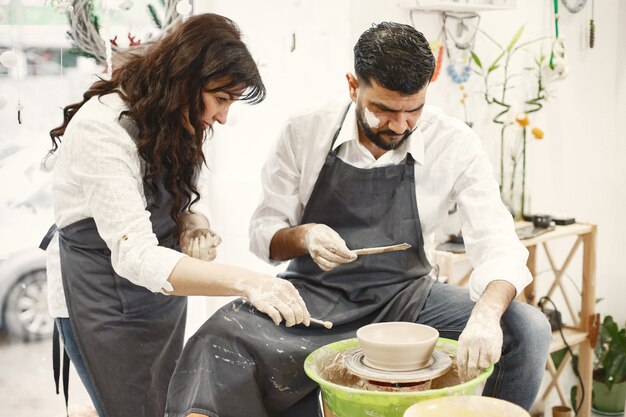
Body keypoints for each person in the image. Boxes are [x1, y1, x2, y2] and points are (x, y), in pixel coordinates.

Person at [165, 22, 552, 417]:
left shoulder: (453, 142)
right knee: (216, 339)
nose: (400, 125)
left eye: (413, 110)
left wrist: (486, 314)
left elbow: (499, 244)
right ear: (353, 86)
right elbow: (265, 234)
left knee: (527, 330)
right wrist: (307, 236)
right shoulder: (305, 131)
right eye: (384, 110)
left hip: (409, 299)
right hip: (313, 297)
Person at [45, 13, 310, 417]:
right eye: (221, 100)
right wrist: (249, 282)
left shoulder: (178, 119)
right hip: (99, 295)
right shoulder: (101, 127)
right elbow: (134, 254)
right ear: (184, 80)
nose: (223, 116)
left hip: (160, 295)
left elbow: (181, 199)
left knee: (164, 402)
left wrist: (193, 225)